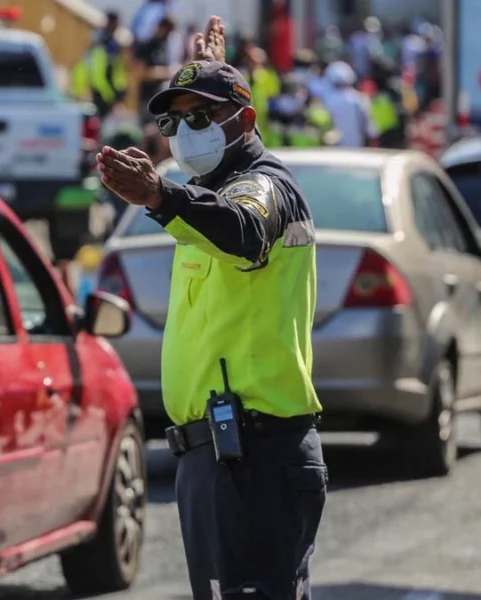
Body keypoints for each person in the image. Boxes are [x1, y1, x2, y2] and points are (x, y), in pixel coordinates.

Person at [96, 15, 326, 599]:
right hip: (216, 457)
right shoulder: (212, 189)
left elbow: (245, 226)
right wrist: (213, 77)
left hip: (254, 456)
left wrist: (158, 194)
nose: (183, 133)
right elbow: (216, 198)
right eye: (174, 120)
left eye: (200, 118)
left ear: (244, 120)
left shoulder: (262, 186)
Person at [70, 11, 129, 118]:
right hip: (99, 93)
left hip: (107, 93)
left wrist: (118, 96)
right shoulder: (100, 43)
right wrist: (110, 97)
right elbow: (98, 77)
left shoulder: (113, 43)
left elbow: (117, 72)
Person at [133, 17, 177, 123]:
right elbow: (141, 73)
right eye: (167, 30)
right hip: (147, 99)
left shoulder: (164, 47)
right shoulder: (146, 46)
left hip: (162, 98)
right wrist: (166, 73)